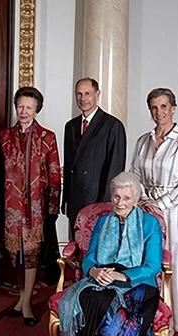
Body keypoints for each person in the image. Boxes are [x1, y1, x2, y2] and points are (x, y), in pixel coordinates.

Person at [57, 172, 162, 336]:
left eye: (126, 198)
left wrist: (122, 275)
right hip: (104, 276)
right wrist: (95, 272)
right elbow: (90, 258)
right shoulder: (103, 221)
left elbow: (153, 266)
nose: (120, 203)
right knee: (84, 300)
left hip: (138, 282)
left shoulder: (150, 223)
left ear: (136, 199)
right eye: (116, 197)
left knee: (118, 310)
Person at [131, 88, 178, 333]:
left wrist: (161, 203)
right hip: (146, 209)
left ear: (173, 108)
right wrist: (144, 199)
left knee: (173, 260)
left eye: (163, 106)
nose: (158, 112)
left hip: (173, 210)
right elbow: (135, 174)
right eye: (154, 107)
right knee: (148, 260)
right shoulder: (143, 141)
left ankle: (173, 318)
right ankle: (149, 315)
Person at [0, 86, 61, 326]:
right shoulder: (5, 135)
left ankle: (26, 303)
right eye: (20, 107)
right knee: (16, 254)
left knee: (32, 254)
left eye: (29, 107)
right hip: (11, 204)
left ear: (37, 109)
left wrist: (53, 209)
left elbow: (54, 174)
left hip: (36, 205)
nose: (24, 111)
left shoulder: (47, 137)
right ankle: (21, 298)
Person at [62, 78, 126, 232]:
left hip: (97, 201)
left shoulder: (112, 126)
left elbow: (115, 170)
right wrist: (66, 200)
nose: (83, 98)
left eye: (87, 94)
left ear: (97, 94)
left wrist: (106, 205)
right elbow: (69, 167)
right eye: (79, 94)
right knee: (76, 244)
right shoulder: (70, 126)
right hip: (75, 202)